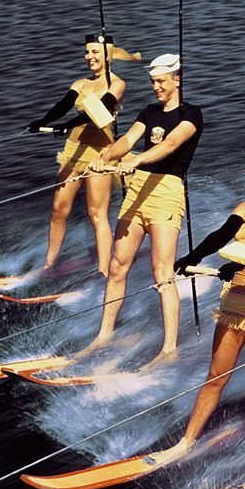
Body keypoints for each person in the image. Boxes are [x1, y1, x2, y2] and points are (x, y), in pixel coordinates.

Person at [147, 145, 245, 475]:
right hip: (235, 302)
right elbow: (220, 235)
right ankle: (185, 443)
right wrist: (191, 257)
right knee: (214, 378)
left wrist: (237, 262)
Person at [80, 53, 202, 367]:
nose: (156, 88)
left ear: (177, 79)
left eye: (161, 82)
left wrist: (136, 159)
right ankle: (105, 333)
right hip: (137, 191)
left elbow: (171, 145)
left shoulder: (191, 115)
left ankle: (169, 348)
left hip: (166, 192)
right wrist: (107, 156)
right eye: (153, 82)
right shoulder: (149, 111)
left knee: (162, 273)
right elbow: (128, 139)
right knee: (118, 265)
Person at [27, 33, 127, 276]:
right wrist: (42, 122)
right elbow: (62, 106)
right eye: (87, 52)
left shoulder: (117, 84)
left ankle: (103, 271)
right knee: (59, 209)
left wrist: (66, 126)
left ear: (107, 55)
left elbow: (99, 109)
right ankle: (49, 264)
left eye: (95, 52)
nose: (89, 56)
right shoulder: (81, 83)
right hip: (73, 152)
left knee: (96, 214)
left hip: (99, 155)